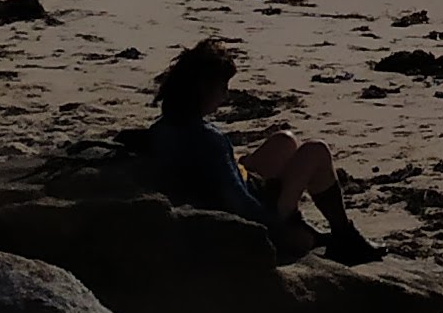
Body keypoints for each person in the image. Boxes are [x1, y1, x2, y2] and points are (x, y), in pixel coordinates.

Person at [144, 37, 378, 264]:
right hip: (257, 210)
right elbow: (238, 201)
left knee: (284, 141)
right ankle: (344, 236)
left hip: (229, 186)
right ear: (203, 90)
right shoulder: (209, 140)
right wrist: (279, 229)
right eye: (222, 87)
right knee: (316, 151)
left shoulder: (165, 127)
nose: (225, 95)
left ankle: (325, 228)